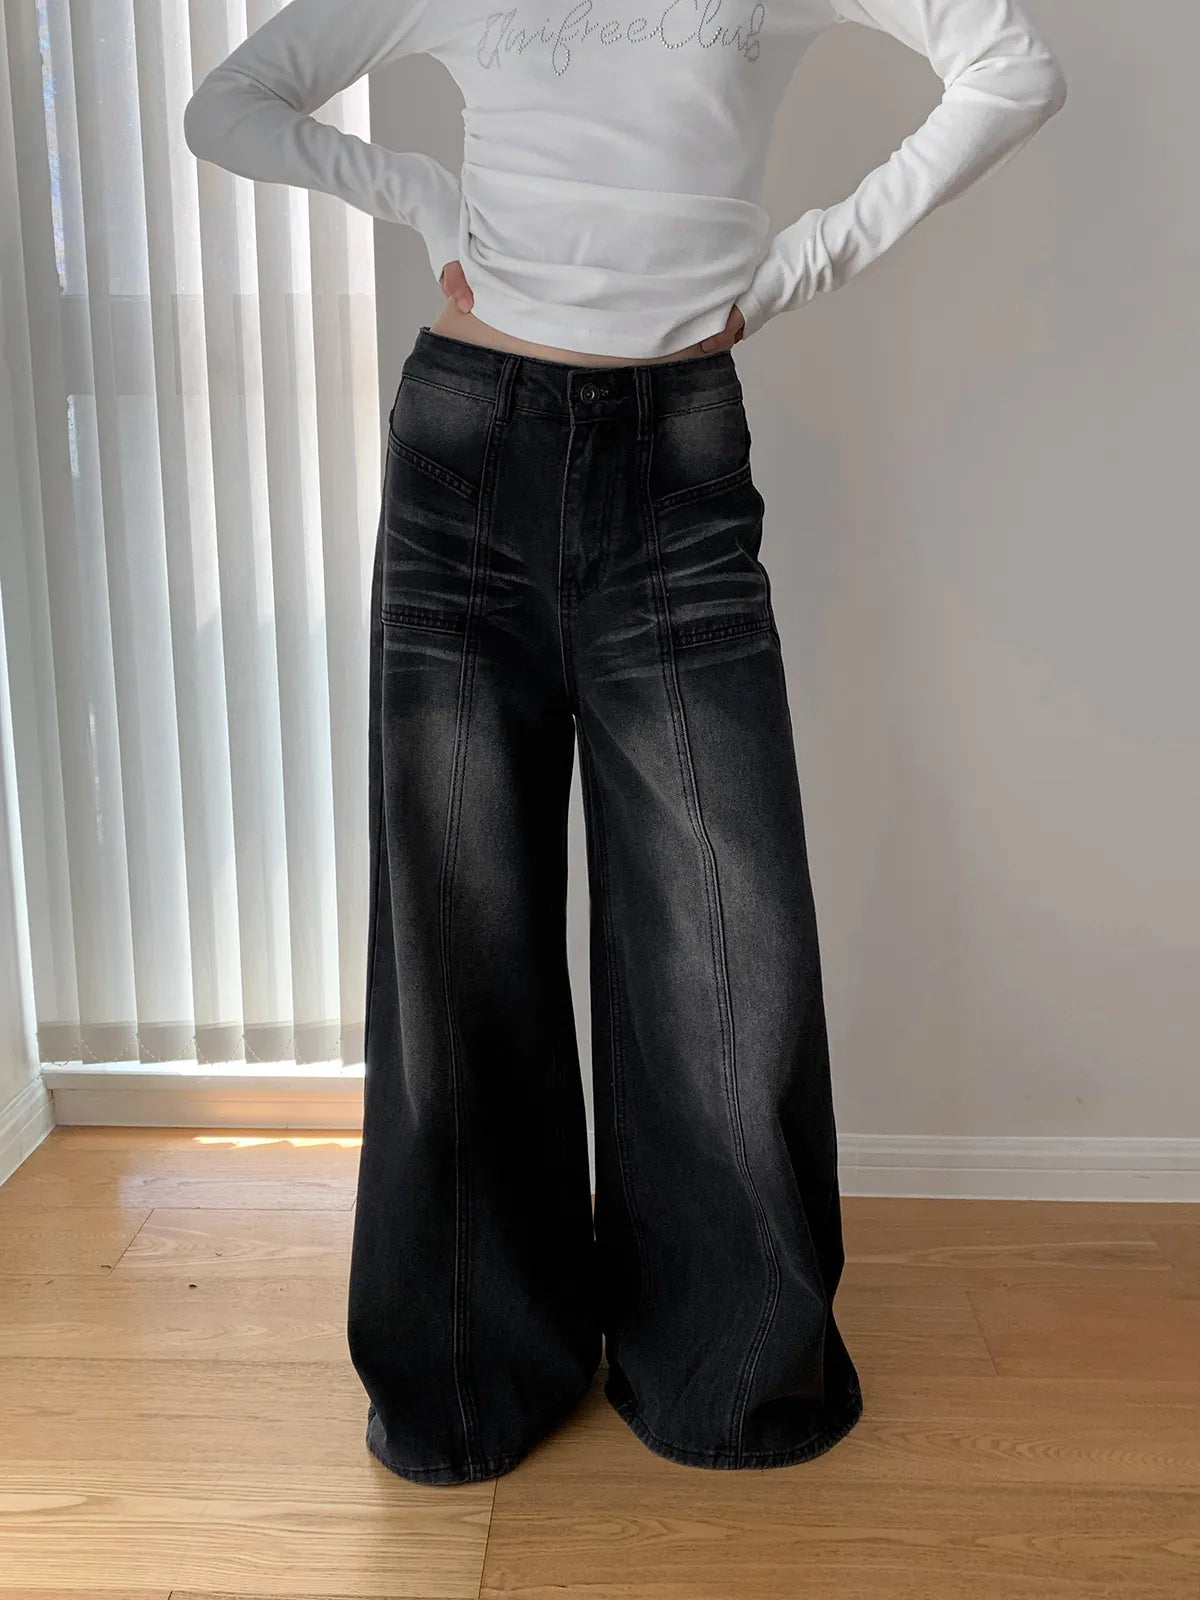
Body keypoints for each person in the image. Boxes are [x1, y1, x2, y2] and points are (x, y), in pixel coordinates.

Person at [184, 0, 1067, 1485]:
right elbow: (228, 106)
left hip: (676, 462)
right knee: (458, 939)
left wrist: (798, 262)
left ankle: (732, 1376)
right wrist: (421, 195)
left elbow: (1013, 68)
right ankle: (468, 1382)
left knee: (728, 943)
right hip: (467, 452)